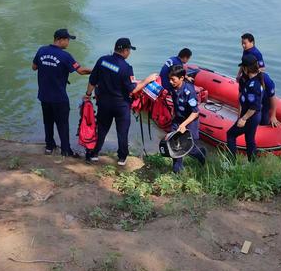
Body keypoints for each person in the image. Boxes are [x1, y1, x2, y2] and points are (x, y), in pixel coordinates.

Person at [84, 38, 158, 166]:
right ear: (124, 50)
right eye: (129, 50)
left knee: (101, 129)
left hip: (104, 103)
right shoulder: (126, 67)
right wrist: (147, 80)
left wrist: (88, 95)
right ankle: (122, 158)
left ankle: (94, 153)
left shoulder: (102, 60)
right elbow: (133, 89)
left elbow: (92, 80)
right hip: (121, 105)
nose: (129, 53)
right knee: (122, 132)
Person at [32, 29, 91, 160]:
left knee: (48, 121)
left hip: (44, 95)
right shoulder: (65, 56)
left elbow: (34, 67)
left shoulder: (41, 50)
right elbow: (81, 71)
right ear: (60, 39)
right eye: (67, 40)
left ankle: (49, 147)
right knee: (62, 124)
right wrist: (96, 71)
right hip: (59, 98)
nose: (68, 42)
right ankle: (66, 150)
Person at [167, 65, 206, 173]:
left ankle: (201, 154)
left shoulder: (189, 92)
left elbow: (195, 112)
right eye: (169, 79)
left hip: (190, 121)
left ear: (181, 78)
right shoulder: (173, 87)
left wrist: (184, 125)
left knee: (189, 147)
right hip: (178, 119)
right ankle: (177, 171)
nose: (170, 82)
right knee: (174, 144)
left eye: (173, 79)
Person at [227, 54, 263, 162]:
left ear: (246, 68)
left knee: (230, 135)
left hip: (250, 117)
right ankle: (253, 163)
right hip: (254, 117)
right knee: (250, 140)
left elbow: (254, 106)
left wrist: (243, 119)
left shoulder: (254, 85)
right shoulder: (252, 80)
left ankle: (231, 162)